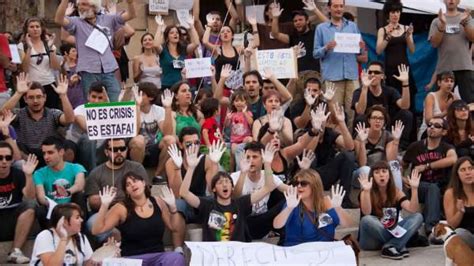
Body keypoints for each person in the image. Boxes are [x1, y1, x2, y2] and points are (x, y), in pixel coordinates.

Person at [179, 142, 277, 242]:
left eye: (227, 182)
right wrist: (191, 168)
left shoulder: (241, 203)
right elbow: (184, 193)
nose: (225, 185)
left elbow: (268, 187)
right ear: (214, 189)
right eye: (220, 182)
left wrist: (267, 164)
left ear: (232, 187)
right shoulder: (207, 205)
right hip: (215, 252)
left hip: (237, 252)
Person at [91, 173, 185, 265]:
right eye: (128, 184)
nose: (132, 185)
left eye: (135, 181)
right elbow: (97, 230)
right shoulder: (121, 208)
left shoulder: (158, 201)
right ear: (126, 191)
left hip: (158, 256)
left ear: (144, 183)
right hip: (133, 259)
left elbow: (174, 227)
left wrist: (173, 208)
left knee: (176, 257)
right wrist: (104, 205)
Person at [54, 0, 137, 101]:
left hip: (109, 70)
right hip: (88, 71)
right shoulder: (76, 22)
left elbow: (131, 15)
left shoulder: (108, 19)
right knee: (92, 106)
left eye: (84, 4)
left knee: (115, 103)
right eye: (79, 5)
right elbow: (59, 20)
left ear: (94, 6)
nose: (80, 7)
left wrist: (130, 3)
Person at [2, 73, 75, 166]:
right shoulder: (19, 114)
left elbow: (70, 119)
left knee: (69, 145)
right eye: (31, 97)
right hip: (27, 156)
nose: (35, 101)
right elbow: (2, 115)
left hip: (49, 153)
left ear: (44, 98)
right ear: (25, 99)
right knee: (17, 147)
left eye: (39, 97)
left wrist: (63, 95)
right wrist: (18, 93)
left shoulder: (53, 113)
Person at [403, 117, 458, 238]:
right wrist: (404, 179)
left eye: (437, 126)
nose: (432, 127)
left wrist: (427, 166)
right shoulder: (415, 147)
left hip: (441, 186)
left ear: (444, 132)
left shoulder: (446, 147)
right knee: (432, 188)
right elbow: (401, 165)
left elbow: (453, 159)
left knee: (437, 188)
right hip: (419, 187)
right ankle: (431, 229)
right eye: (430, 125)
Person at [85, 138, 148, 241]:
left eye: (122, 149)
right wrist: (106, 200)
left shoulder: (137, 168)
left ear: (127, 150)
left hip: (133, 207)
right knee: (92, 223)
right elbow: (93, 201)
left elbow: (146, 192)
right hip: (107, 211)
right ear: (106, 152)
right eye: (114, 149)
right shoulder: (96, 173)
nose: (119, 152)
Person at [313, 0, 364, 129]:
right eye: (335, 6)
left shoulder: (352, 26)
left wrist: (361, 47)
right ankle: (337, 143)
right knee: (335, 113)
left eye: (341, 6)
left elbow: (360, 52)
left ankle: (352, 143)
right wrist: (326, 47)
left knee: (353, 111)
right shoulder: (321, 28)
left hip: (351, 75)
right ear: (329, 8)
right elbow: (315, 53)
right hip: (332, 77)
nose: (339, 9)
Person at [358, 161, 423, 260]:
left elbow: (412, 209)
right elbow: (366, 212)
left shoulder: (396, 191)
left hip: (392, 230)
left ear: (389, 175)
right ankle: (400, 244)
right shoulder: (366, 192)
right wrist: (366, 191)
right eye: (377, 172)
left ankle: (391, 246)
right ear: (372, 176)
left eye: (384, 171)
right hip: (371, 239)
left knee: (418, 217)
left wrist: (414, 189)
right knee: (366, 220)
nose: (381, 175)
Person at [273, 169, 352, 246]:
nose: (299, 186)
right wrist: (289, 208)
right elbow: (276, 225)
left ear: (314, 185)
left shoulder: (327, 202)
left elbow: (348, 224)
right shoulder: (293, 203)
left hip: (324, 252)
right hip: (297, 251)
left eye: (303, 183)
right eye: (296, 183)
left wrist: (338, 208)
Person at [231, 142, 289, 239]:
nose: (251, 160)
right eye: (248, 157)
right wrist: (243, 173)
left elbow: (289, 190)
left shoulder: (268, 176)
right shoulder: (235, 176)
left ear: (262, 159)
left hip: (263, 221)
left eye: (255, 157)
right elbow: (234, 198)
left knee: (289, 200)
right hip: (243, 222)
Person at [352, 61, 412, 149]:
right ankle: (364, 148)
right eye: (370, 72)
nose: (372, 75)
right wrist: (364, 88)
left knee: (406, 114)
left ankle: (400, 148)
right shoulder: (359, 92)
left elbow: (405, 106)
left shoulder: (390, 91)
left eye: (376, 72)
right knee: (360, 118)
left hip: (387, 125)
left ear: (382, 76)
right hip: (368, 127)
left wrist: (405, 83)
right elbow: (360, 111)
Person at [34, 136, 87, 228]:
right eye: (44, 153)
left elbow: (79, 185)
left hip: (72, 208)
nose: (46, 157)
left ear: (61, 152)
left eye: (50, 152)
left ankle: (80, 233)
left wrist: (67, 192)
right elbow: (41, 197)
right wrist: (54, 206)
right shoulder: (39, 173)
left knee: (79, 196)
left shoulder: (76, 167)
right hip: (52, 210)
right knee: (41, 210)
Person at [429, 0, 474, 103]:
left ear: (459, 1)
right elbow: (434, 44)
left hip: (464, 67)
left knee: (470, 103)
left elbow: (472, 38)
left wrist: (465, 23)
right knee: (443, 103)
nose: (451, 0)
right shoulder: (437, 21)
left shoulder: (467, 17)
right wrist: (442, 25)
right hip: (444, 68)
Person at [0, 142, 37, 264]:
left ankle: (15, 252)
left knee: (30, 206)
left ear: (12, 160)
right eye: (0, 158)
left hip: (12, 220)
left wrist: (29, 176)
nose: (4, 161)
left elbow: (30, 196)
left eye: (8, 158)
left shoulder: (18, 174)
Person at [376, 1, 416, 112]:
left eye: (397, 11)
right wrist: (388, 37)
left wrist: (408, 36)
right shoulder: (382, 30)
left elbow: (412, 50)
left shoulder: (406, 28)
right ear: (388, 14)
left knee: (409, 98)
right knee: (392, 100)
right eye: (393, 12)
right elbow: (379, 50)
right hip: (390, 69)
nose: (395, 14)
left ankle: (411, 127)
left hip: (404, 68)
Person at [353, 106, 404, 189]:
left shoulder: (387, 136)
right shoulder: (361, 134)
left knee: (395, 164)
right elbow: (362, 164)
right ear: (369, 120)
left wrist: (396, 141)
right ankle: (367, 199)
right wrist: (362, 142)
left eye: (381, 118)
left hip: (381, 172)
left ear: (384, 122)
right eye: (374, 118)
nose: (377, 121)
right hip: (361, 174)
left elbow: (391, 160)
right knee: (366, 169)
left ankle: (397, 198)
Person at [270, 2, 327, 72]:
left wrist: (315, 10)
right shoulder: (293, 38)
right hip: (298, 76)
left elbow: (329, 27)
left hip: (315, 75)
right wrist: (275, 18)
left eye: (300, 20)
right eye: (295, 21)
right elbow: (275, 34)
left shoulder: (315, 34)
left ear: (307, 21)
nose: (298, 22)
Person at [18, 17, 61, 109]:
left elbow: (56, 67)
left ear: (42, 29)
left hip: (48, 84)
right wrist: (29, 48)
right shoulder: (22, 46)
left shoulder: (48, 44)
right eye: (32, 27)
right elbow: (24, 69)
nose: (35, 29)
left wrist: (50, 49)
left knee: (52, 114)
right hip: (30, 86)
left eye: (37, 26)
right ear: (27, 29)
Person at [66, 81, 109, 172]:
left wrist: (108, 108)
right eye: (93, 97)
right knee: (90, 138)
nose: (96, 101)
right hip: (81, 151)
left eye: (100, 98)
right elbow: (89, 129)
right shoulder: (80, 109)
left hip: (101, 151)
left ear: (105, 98)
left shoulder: (110, 112)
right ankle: (92, 176)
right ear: (88, 96)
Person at [154, 15, 200, 90]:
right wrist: (159, 26)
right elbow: (155, 44)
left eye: (177, 33)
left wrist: (192, 26)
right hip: (167, 85)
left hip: (182, 85)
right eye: (172, 33)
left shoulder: (183, 49)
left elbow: (196, 43)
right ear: (167, 36)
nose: (175, 34)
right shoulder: (163, 50)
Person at [443, 157, 474, 249]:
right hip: (466, 237)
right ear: (457, 174)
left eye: (470, 168)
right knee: (459, 233)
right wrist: (460, 212)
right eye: (463, 170)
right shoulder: (451, 193)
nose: (468, 173)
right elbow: (452, 225)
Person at [418, 71, 458, 140]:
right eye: (446, 81)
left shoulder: (454, 97)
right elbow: (428, 120)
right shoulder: (431, 97)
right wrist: (445, 113)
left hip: (445, 132)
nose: (449, 84)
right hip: (429, 131)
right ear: (439, 83)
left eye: (451, 81)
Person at [60, 43, 84, 108]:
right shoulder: (61, 67)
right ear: (66, 53)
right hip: (68, 97)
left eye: (76, 51)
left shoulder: (80, 66)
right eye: (73, 51)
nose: (75, 53)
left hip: (80, 98)